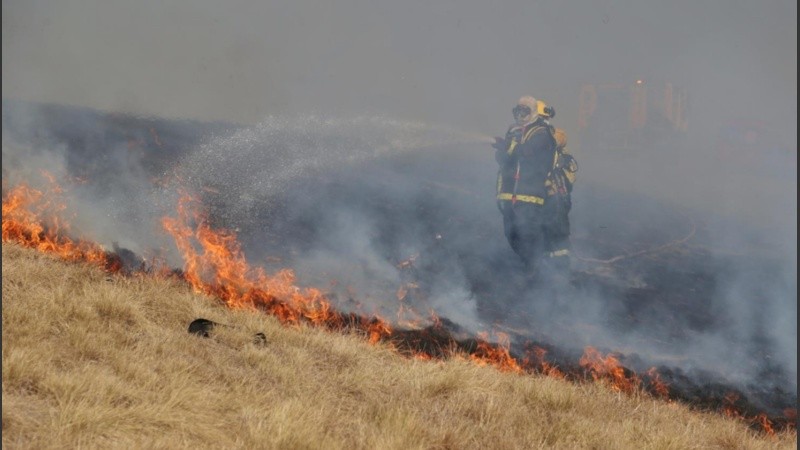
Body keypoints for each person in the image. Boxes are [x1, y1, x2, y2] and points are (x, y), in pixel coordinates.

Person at [492, 96, 576, 283]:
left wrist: (507, 146)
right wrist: (503, 149)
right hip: (510, 195)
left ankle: (546, 273)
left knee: (535, 234)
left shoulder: (542, 134)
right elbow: (506, 160)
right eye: (518, 110)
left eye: (525, 111)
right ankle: (537, 268)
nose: (520, 115)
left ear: (535, 114)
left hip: (532, 195)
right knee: (513, 234)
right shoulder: (514, 132)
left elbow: (527, 152)